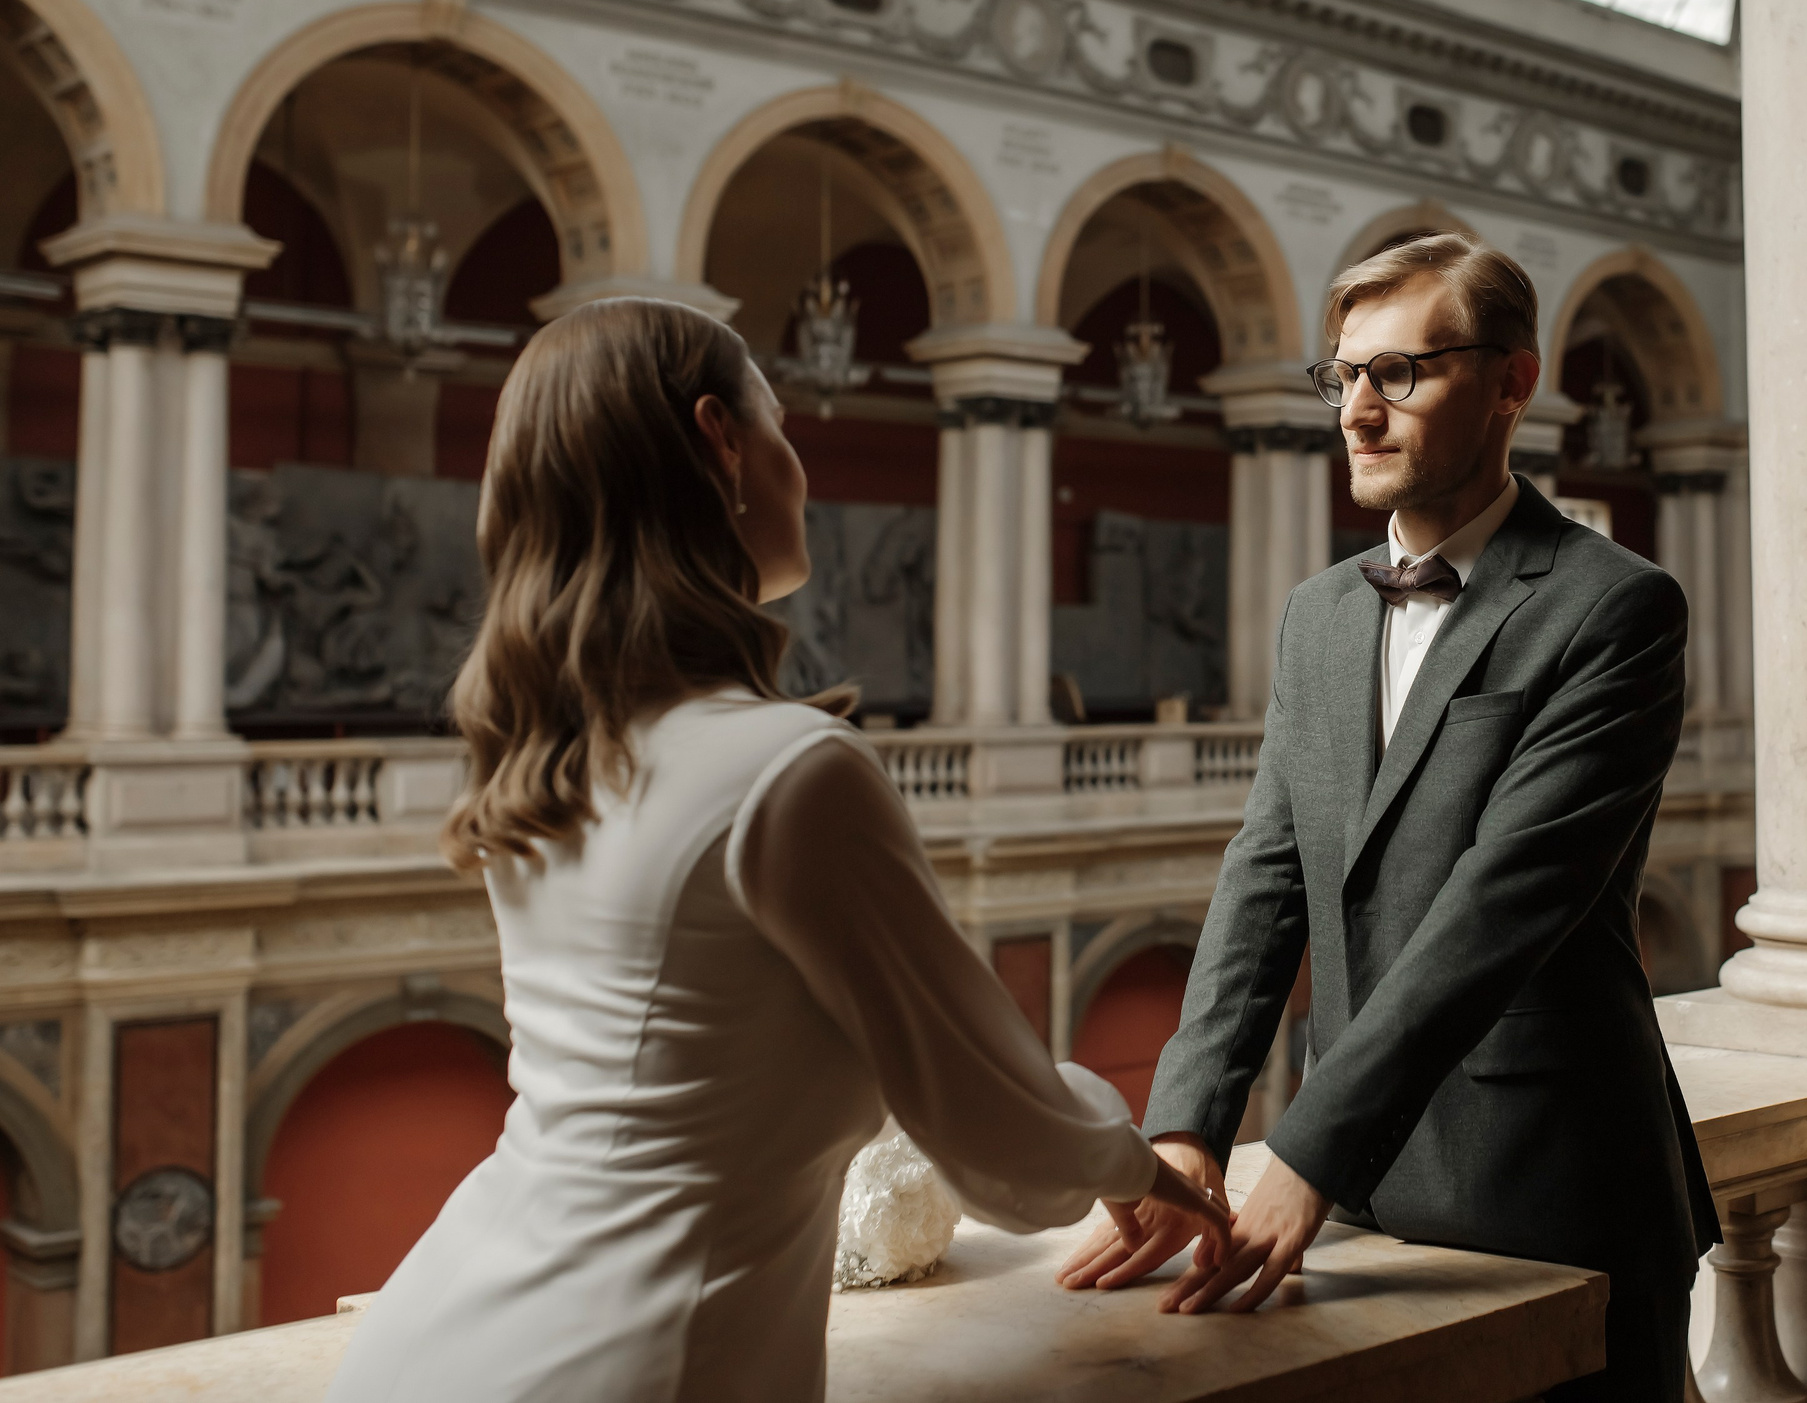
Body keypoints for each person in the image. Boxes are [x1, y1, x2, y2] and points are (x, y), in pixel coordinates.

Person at [326, 297, 1226, 1403]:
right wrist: (1129, 1161)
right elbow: (1000, 1139)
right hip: (632, 1362)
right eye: (782, 427)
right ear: (721, 440)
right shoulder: (790, 770)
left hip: (435, 1337)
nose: (801, 469)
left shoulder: (551, 750)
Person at [1057, 235, 1717, 1403]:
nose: (1357, 412)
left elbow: (1497, 911)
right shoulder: (1315, 615)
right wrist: (1188, 1128)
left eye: (1399, 373)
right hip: (1358, 1200)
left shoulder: (1616, 608)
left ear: (1512, 382)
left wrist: (1306, 1149)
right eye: (1343, 376)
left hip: (1551, 1189)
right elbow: (1264, 876)